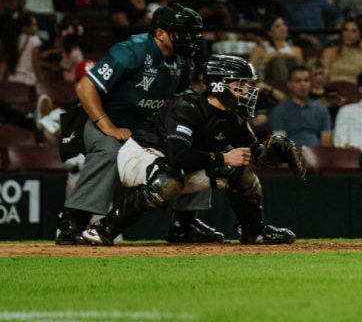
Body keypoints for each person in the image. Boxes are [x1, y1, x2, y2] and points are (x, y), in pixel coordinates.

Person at [78, 55, 297, 246]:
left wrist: (275, 152)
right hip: (140, 155)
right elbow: (178, 156)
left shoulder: (233, 117)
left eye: (247, 85)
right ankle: (102, 229)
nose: (247, 91)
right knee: (168, 179)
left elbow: (255, 155)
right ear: (219, 85)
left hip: (177, 167)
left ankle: (253, 233)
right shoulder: (187, 107)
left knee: (242, 172)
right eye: (240, 84)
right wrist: (224, 158)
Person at [55, 3, 220, 245]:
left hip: (145, 130)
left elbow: (178, 99)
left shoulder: (183, 59)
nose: (189, 38)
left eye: (191, 32)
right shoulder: (132, 50)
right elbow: (85, 86)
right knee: (110, 150)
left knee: (194, 144)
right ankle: (73, 222)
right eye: (182, 32)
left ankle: (183, 225)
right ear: (160, 33)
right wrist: (107, 125)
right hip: (103, 120)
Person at [268, 64, 332, 147]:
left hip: (316, 155)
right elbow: (280, 144)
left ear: (311, 83)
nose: (303, 84)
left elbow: (326, 141)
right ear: (289, 84)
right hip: (291, 155)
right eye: (298, 81)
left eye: (306, 80)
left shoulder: (321, 109)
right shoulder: (279, 111)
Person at [321, 18, 362, 84]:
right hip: (333, 89)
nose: (348, 34)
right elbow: (322, 76)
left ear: (359, 35)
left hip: (356, 91)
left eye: (353, 31)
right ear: (341, 33)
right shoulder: (329, 52)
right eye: (345, 30)